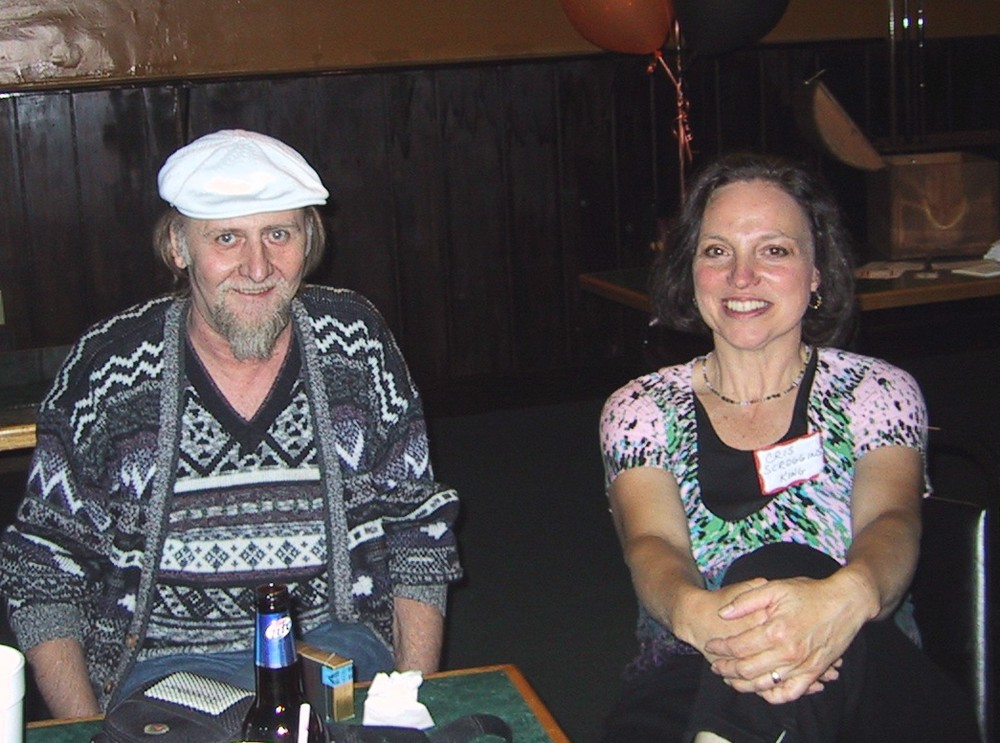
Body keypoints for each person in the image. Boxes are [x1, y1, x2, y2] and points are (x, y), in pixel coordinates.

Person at [0, 129, 463, 719]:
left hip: (332, 653)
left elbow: (417, 528)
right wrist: (87, 728)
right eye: (227, 238)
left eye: (279, 234)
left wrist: (407, 699)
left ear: (308, 239)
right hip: (167, 670)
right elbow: (43, 566)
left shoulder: (355, 344)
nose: (258, 267)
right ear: (178, 247)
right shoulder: (112, 369)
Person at [598, 152, 979, 742]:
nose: (741, 276)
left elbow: (891, 521)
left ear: (817, 271)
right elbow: (652, 543)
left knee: (781, 566)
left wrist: (843, 596)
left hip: (864, 671)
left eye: (773, 250)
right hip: (689, 668)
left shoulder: (875, 392)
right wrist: (695, 613)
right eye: (717, 251)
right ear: (690, 270)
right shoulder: (640, 410)